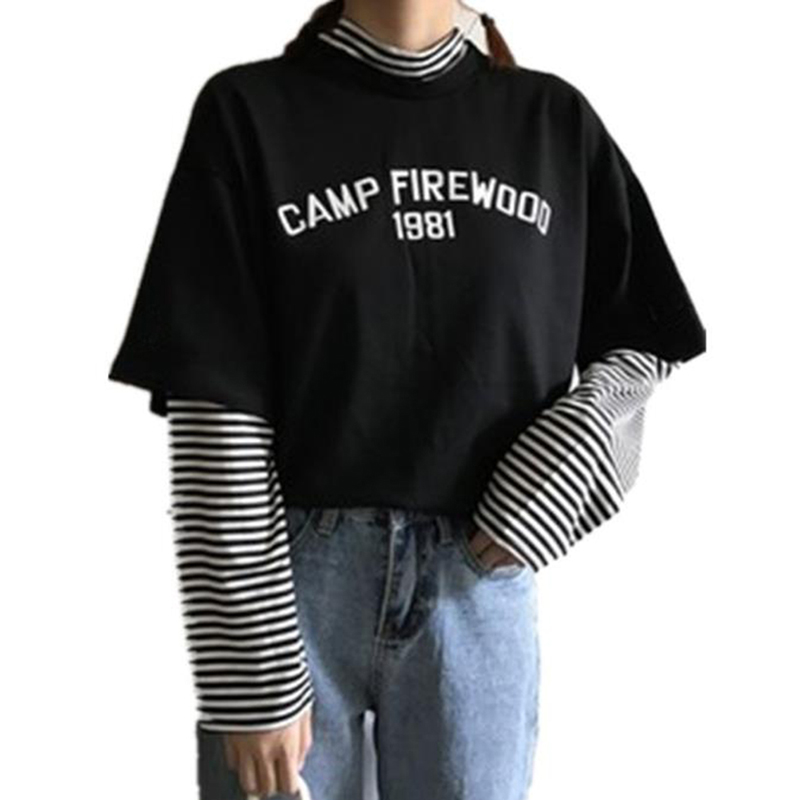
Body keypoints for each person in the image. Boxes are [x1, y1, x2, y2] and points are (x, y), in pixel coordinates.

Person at [107, 2, 707, 798]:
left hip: (479, 581)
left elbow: (644, 333)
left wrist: (563, 466)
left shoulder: (551, 122)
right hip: (288, 581)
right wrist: (250, 667)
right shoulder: (249, 112)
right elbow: (214, 395)